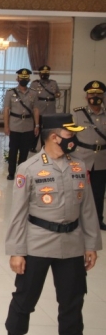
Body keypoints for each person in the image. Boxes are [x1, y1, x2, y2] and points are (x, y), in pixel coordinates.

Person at [3, 114, 101, 335]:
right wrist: (16, 251)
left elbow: (88, 209)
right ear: (55, 137)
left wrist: (91, 244)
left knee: (72, 299)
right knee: (25, 298)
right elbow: (18, 214)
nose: (75, 140)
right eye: (71, 135)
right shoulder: (29, 168)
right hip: (38, 242)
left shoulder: (79, 166)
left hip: (72, 244)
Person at [73, 81, 106, 230]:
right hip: (82, 159)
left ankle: (98, 221)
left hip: (101, 160)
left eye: (99, 94)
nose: (95, 96)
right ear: (86, 97)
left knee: (98, 193)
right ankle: (76, 220)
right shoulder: (78, 114)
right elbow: (70, 137)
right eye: (92, 94)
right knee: (79, 192)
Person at [4, 69, 40, 181]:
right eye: (21, 78)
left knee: (24, 152)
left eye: (25, 78)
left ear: (29, 79)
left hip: (28, 126)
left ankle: (21, 172)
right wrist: (6, 126)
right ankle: (11, 173)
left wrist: (37, 125)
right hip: (14, 125)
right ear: (17, 79)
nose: (23, 80)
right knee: (13, 150)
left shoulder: (33, 93)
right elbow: (6, 110)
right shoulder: (10, 93)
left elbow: (36, 110)